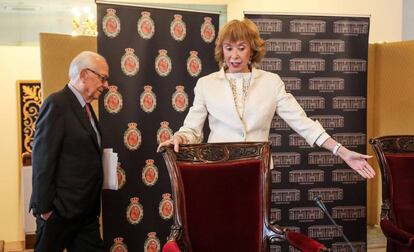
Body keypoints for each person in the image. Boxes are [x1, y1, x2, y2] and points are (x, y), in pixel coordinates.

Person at [158, 19, 375, 179]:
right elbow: (192, 129)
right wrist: (180, 138)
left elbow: (304, 124)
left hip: (257, 172)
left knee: (252, 233)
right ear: (221, 49)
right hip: (217, 169)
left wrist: (343, 152)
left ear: (252, 50)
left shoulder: (272, 82)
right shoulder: (206, 84)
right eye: (229, 48)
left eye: (241, 48)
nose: (234, 55)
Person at [30, 51, 109, 251]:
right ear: (84, 75)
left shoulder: (87, 109)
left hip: (85, 214)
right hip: (59, 212)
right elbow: (42, 160)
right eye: (103, 78)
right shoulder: (57, 103)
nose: (106, 85)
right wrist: (45, 209)